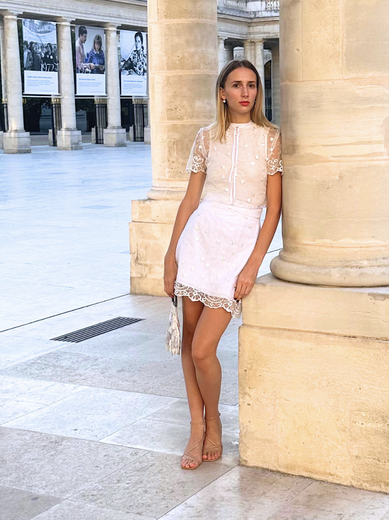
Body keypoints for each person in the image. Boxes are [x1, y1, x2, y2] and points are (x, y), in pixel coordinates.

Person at [163, 59, 282, 470]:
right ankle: (199, 426)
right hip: (199, 240)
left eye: (252, 85)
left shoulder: (271, 139)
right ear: (222, 92)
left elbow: (274, 211)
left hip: (238, 244)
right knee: (189, 340)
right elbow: (190, 201)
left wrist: (252, 265)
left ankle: (213, 417)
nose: (245, 92)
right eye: (237, 85)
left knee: (202, 350)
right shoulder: (205, 138)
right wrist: (169, 254)